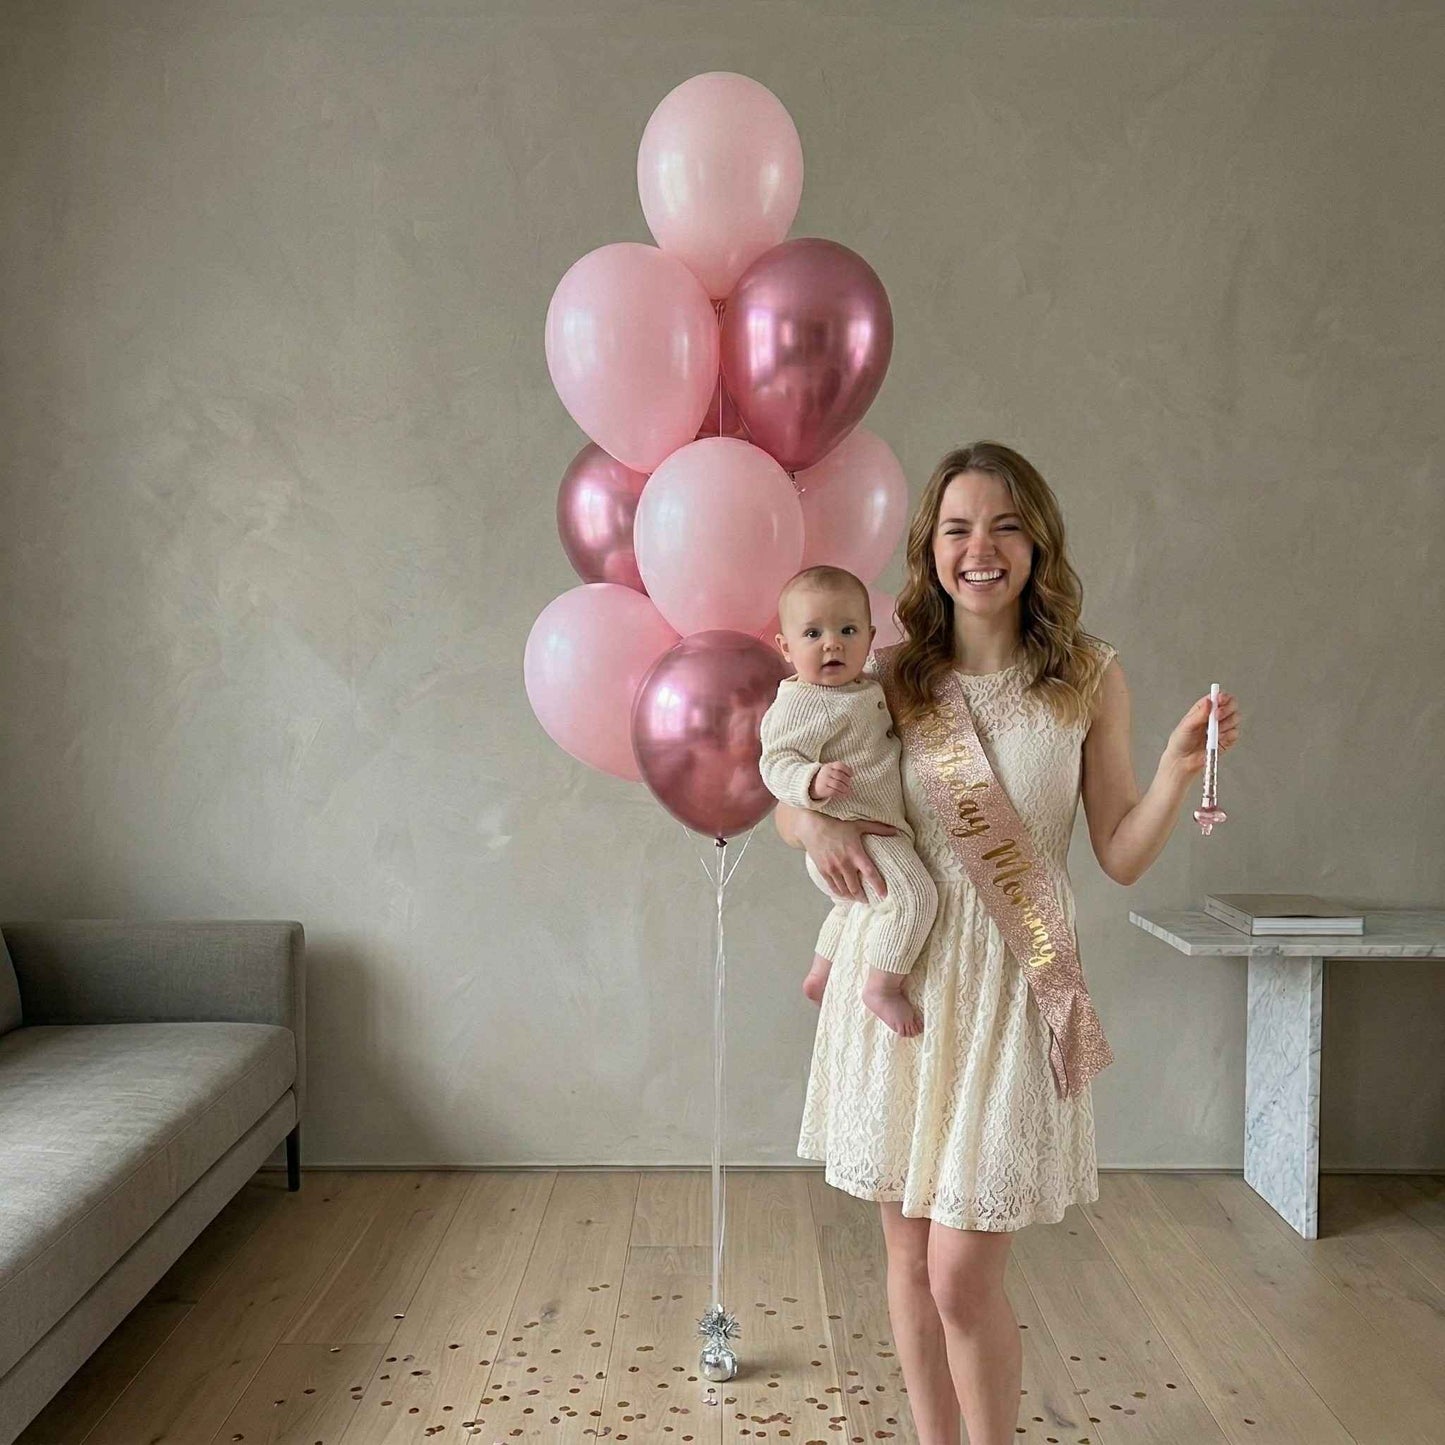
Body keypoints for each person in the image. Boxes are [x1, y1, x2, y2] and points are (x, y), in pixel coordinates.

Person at [774, 442, 1242, 1445]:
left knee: (958, 1271)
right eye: (955, 527)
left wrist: (1168, 769)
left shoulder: (1085, 676)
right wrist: (810, 824)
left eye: (1002, 524)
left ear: (1035, 541)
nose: (978, 546)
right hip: (899, 980)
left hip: (1008, 991)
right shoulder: (888, 674)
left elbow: (1116, 850)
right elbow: (793, 787)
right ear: (927, 547)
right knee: (904, 1260)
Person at [759, 565, 938, 1038]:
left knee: (852, 907)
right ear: (785, 647)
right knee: (915, 899)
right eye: (813, 633)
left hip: (869, 833)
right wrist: (811, 782)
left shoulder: (868, 686)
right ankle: (882, 987)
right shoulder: (801, 701)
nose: (832, 643)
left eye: (848, 630)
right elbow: (774, 762)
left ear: (870, 637)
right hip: (858, 834)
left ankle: (822, 972)